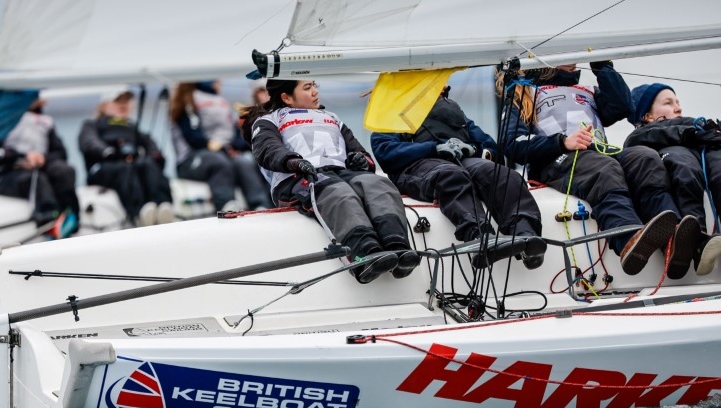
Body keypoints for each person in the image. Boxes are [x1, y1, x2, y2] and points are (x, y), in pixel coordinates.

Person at [498, 61, 687, 277]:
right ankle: (627, 239)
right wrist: (561, 142)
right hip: (558, 159)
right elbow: (512, 143)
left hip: (599, 151)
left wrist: (601, 65)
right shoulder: (524, 93)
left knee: (645, 157)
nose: (574, 61)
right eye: (567, 55)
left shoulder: (587, 89)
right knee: (604, 169)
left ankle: (674, 239)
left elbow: (623, 106)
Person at [241, 79, 419, 284]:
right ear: (286, 98)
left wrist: (361, 159)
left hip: (340, 172)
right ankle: (363, 254)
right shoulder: (270, 121)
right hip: (299, 177)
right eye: (307, 88)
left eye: (315, 85)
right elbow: (267, 149)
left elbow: (358, 150)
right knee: (339, 193)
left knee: (377, 184)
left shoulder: (332, 118)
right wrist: (293, 162)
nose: (315, 91)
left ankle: (396, 245)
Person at [370, 86, 547, 269]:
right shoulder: (391, 111)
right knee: (451, 176)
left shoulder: (452, 109)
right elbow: (385, 152)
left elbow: (490, 147)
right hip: (418, 166)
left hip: (462, 159)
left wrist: (474, 149)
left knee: (501, 174)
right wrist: (434, 148)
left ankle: (525, 234)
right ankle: (479, 237)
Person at [625, 83, 721, 276]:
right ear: (647, 116)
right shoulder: (643, 132)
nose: (678, 107)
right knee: (685, 171)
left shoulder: (700, 127)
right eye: (668, 103)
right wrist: (689, 133)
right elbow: (636, 139)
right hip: (676, 152)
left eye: (677, 102)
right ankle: (697, 240)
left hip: (704, 150)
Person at [0, 96, 79, 239]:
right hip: (7, 175)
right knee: (36, 179)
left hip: (39, 167)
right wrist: (20, 157)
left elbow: (60, 152)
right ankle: (48, 224)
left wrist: (42, 159)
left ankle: (71, 217)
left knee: (64, 171)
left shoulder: (45, 121)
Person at [170, 81, 272, 211]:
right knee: (219, 162)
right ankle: (226, 205)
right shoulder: (187, 101)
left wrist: (235, 147)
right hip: (190, 159)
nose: (220, 81)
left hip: (219, 153)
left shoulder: (219, 101)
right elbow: (193, 137)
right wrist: (220, 148)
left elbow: (232, 132)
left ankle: (260, 205)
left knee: (243, 162)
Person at [78, 89, 174, 226]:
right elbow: (89, 142)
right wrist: (108, 152)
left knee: (147, 164)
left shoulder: (132, 127)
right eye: (118, 101)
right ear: (105, 104)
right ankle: (138, 212)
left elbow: (149, 143)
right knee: (125, 169)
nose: (123, 104)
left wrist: (155, 155)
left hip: (132, 165)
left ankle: (163, 206)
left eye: (126, 100)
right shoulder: (92, 125)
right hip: (104, 168)